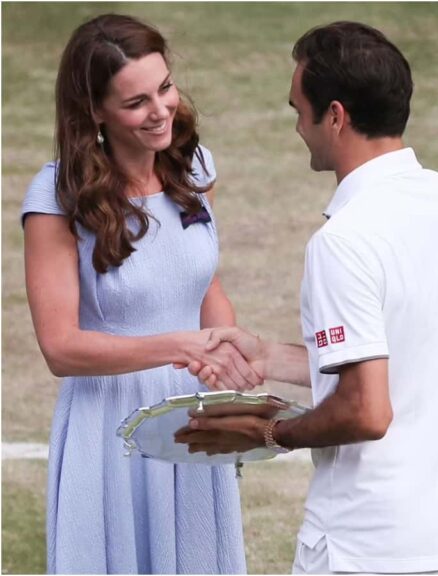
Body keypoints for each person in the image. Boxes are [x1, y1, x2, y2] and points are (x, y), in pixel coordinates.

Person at [174, 21, 438, 575]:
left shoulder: (343, 240)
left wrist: (270, 431)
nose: (298, 126)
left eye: (299, 110)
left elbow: (365, 410)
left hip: (368, 549)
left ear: (336, 116)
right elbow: (404, 357)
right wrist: (270, 357)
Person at [22, 13, 261, 573]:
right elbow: (61, 349)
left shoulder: (195, 168)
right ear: (94, 112)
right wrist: (183, 347)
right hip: (109, 425)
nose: (160, 111)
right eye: (136, 103)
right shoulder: (56, 198)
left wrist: (225, 364)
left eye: (165, 87)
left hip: (192, 413)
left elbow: (205, 285)